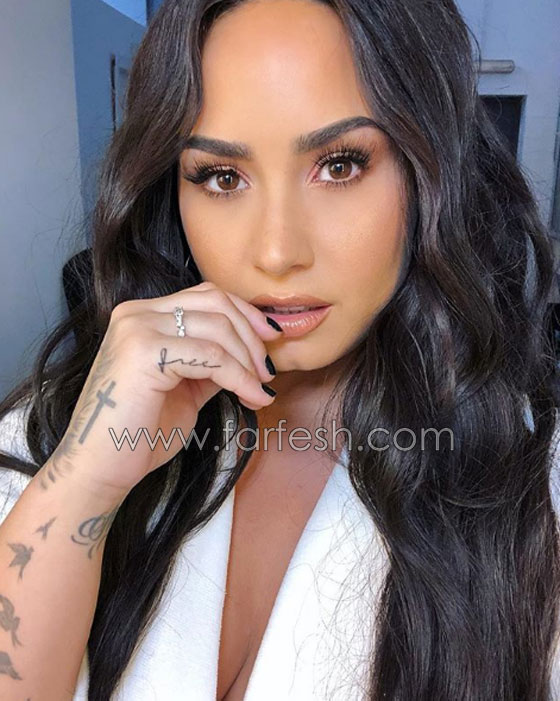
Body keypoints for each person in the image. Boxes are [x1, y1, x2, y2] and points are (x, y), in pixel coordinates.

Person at [0, 0, 559, 699]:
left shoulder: (534, 487)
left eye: (340, 165)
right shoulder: (56, 431)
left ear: (429, 173)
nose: (275, 252)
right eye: (222, 177)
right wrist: (85, 481)